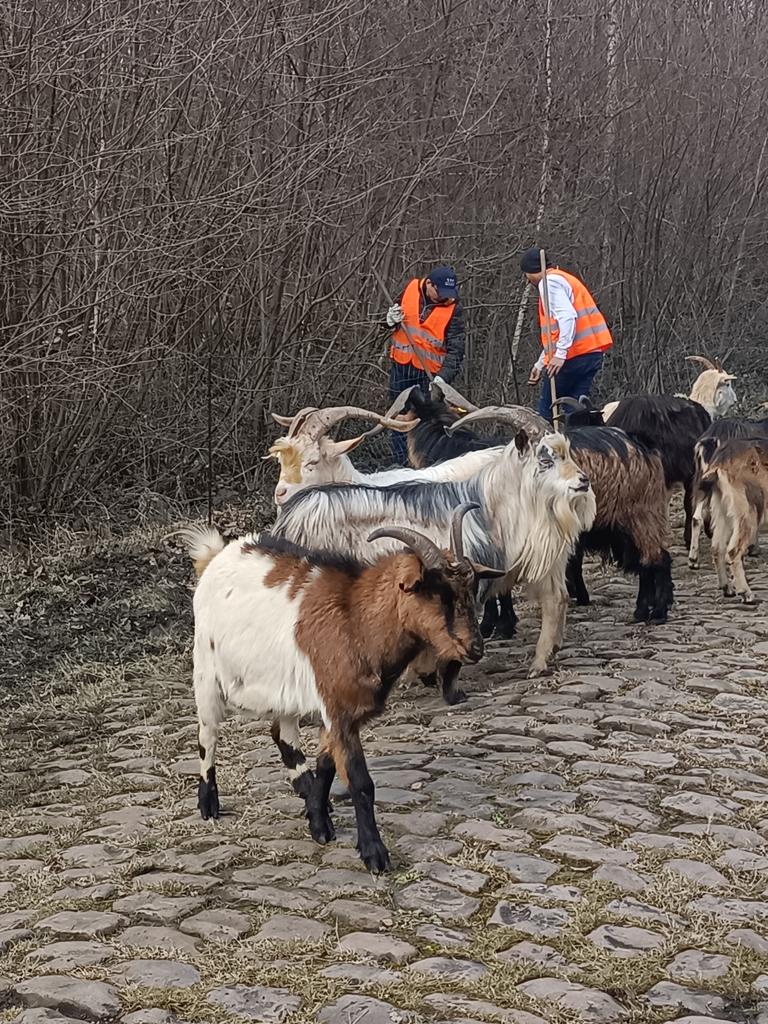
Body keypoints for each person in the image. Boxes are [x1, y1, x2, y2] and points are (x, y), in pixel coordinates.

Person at [520, 248, 613, 421]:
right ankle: (579, 446)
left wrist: (560, 354)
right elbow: (556, 333)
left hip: (571, 358)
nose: (527, 280)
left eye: (526, 275)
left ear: (532, 271)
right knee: (576, 413)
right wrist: (540, 364)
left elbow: (568, 317)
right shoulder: (565, 278)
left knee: (546, 414)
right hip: (590, 355)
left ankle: (547, 447)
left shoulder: (549, 283)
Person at [385, 266, 465, 464]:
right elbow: (391, 318)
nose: (444, 298)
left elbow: (456, 349)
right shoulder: (409, 289)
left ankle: (424, 465)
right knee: (399, 418)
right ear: (429, 284)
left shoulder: (454, 309)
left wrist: (442, 379)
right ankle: (400, 463)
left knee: (426, 424)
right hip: (401, 368)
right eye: (440, 292)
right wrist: (389, 321)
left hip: (429, 377)